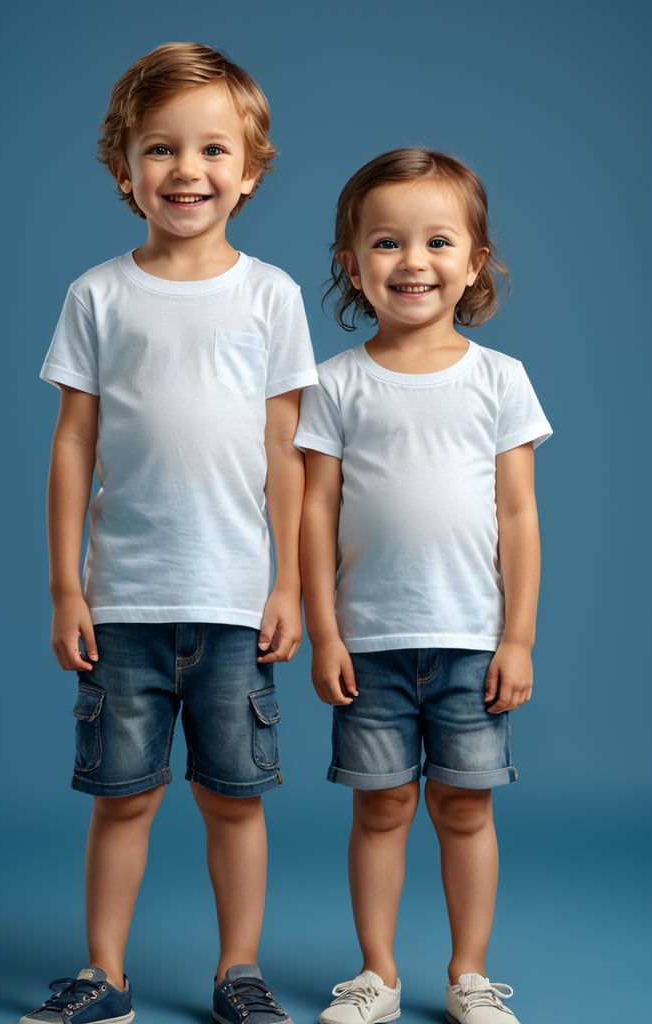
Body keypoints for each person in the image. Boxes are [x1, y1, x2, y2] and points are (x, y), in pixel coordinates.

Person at [21, 42, 317, 1024]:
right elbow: (73, 445)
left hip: (234, 597)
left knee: (234, 797)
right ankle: (104, 976)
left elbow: (287, 448)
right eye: (160, 149)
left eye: (212, 150)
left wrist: (287, 585)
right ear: (125, 171)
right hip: (124, 603)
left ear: (251, 169)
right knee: (124, 797)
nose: (186, 170)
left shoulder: (269, 296)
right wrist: (68, 586)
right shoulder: (98, 295)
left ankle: (240, 973)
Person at [296, 148, 551, 1024]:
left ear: (474, 262)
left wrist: (515, 637)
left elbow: (517, 517)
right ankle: (377, 976)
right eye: (386, 243)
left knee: (465, 812)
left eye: (437, 241)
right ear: (351, 265)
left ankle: (468, 976)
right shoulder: (332, 385)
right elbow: (313, 520)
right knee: (381, 810)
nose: (412, 262)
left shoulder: (498, 379)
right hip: (367, 645)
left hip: (471, 642)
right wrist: (323, 632)